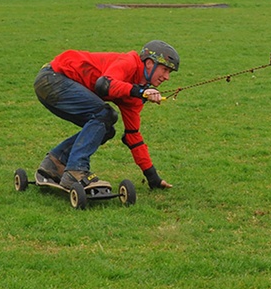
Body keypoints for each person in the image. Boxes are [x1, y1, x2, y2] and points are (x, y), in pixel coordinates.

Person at [34, 40, 179, 190]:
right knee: (106, 115)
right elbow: (104, 84)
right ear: (149, 63)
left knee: (106, 129)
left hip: (53, 85)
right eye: (165, 69)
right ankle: (76, 170)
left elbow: (133, 137)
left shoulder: (134, 94)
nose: (167, 77)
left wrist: (153, 177)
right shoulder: (129, 62)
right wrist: (141, 92)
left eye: (169, 72)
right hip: (52, 78)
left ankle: (54, 162)